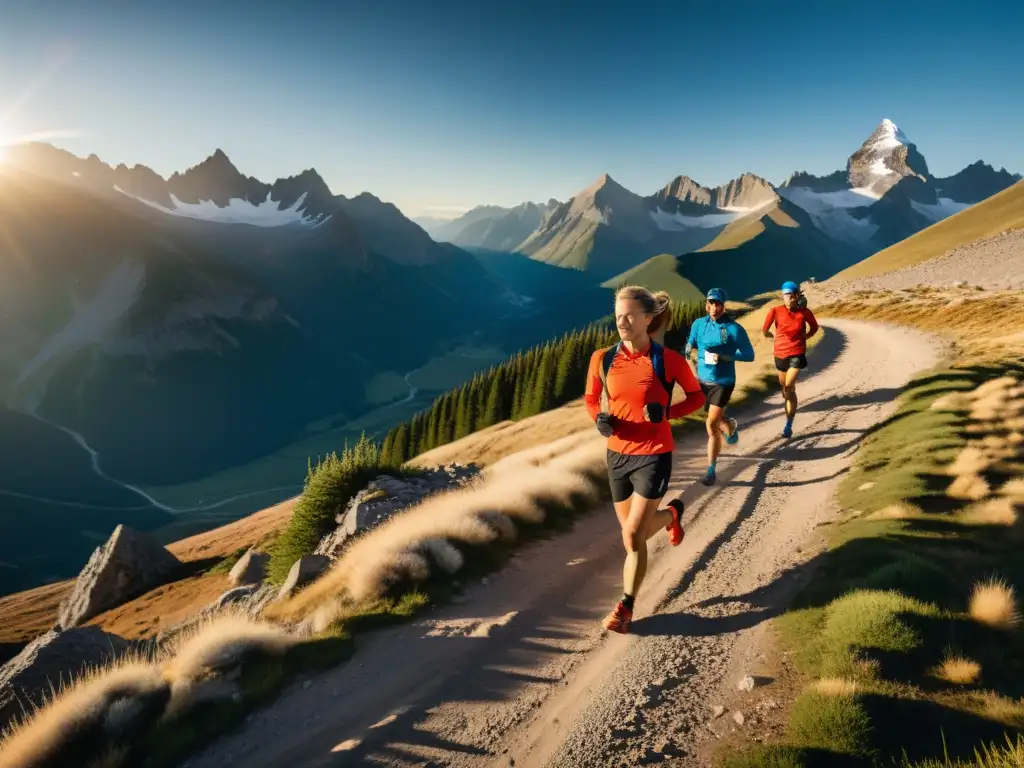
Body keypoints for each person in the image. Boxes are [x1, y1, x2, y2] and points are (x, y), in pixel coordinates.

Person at [584, 285, 707, 634]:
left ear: (648, 318)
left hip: (654, 455)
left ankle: (625, 606)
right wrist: (599, 419)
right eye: (618, 315)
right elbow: (592, 398)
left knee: (633, 536)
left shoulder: (668, 360)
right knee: (631, 534)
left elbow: (697, 397)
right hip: (617, 455)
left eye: (630, 316)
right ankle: (672, 515)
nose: (622, 322)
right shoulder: (602, 359)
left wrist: (667, 411)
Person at [685, 288, 755, 487]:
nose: (714, 308)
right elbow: (689, 345)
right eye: (711, 303)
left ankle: (710, 470)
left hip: (723, 382)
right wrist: (690, 364)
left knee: (710, 424)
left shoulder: (734, 329)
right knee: (714, 419)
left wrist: (727, 357)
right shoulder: (698, 325)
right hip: (702, 380)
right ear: (706, 304)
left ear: (724, 306)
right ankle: (729, 426)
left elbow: (750, 355)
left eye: (718, 304)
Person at [762, 280, 819, 438]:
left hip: (797, 353)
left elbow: (814, 327)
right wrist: (769, 336)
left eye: (791, 295)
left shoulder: (804, 313)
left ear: (796, 296)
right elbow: (764, 329)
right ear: (783, 295)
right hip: (779, 353)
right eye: (786, 295)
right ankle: (789, 400)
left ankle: (788, 424)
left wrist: (805, 337)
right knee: (785, 390)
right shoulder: (775, 311)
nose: (789, 298)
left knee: (788, 385)